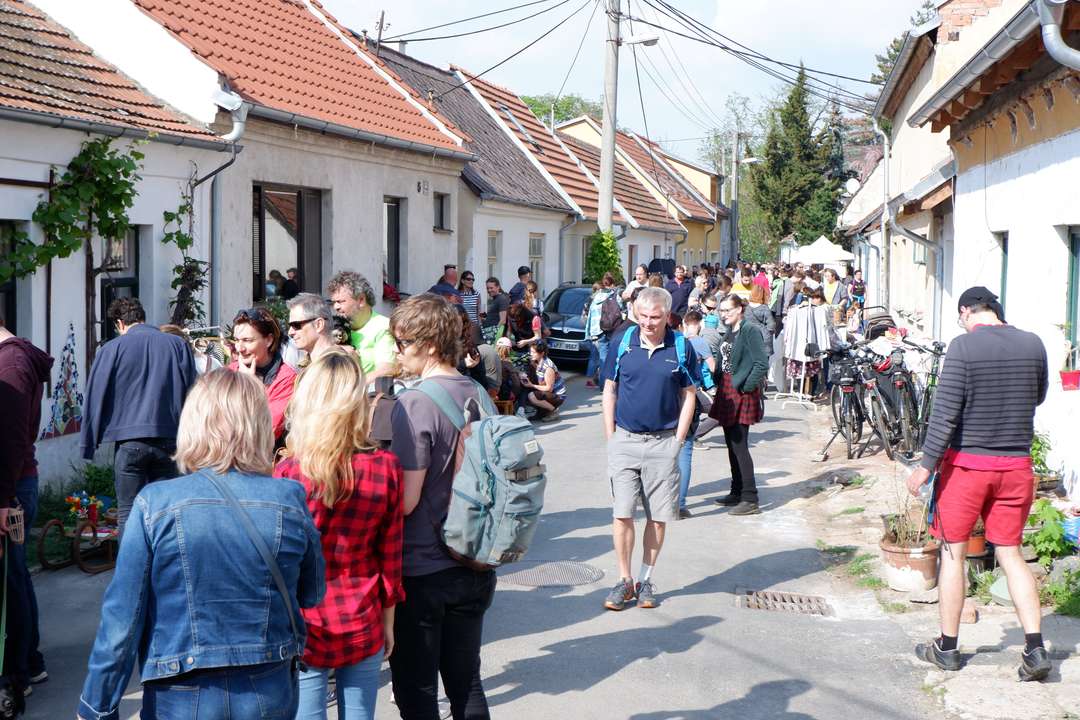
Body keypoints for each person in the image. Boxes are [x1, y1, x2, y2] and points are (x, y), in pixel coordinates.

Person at [76, 369, 325, 720]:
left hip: (180, 688)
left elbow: (122, 621)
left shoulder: (154, 504)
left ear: (193, 423)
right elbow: (311, 593)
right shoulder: (288, 498)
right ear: (258, 427)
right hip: (267, 684)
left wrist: (97, 705)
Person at [907, 287, 1051, 682]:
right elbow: (1037, 396)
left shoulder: (964, 347)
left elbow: (945, 414)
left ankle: (947, 648)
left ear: (965, 311)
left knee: (953, 554)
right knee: (1011, 554)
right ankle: (1035, 647)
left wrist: (925, 467)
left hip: (967, 468)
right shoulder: (1033, 343)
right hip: (1016, 466)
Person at [274, 350, 404, 720]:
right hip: (362, 612)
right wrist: (388, 623)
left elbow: (279, 560)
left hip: (305, 621)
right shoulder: (385, 468)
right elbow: (390, 559)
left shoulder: (288, 474)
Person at [388, 294, 497, 718]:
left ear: (430, 345)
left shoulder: (414, 402)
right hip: (475, 559)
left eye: (403, 342)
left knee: (416, 692)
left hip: (424, 567)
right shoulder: (478, 393)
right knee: (466, 683)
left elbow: (407, 500)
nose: (398, 352)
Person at [601, 287, 698, 611]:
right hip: (625, 441)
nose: (647, 323)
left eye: (655, 317)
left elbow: (689, 395)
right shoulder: (623, 342)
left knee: (658, 518)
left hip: (663, 443)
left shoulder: (681, 346)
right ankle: (624, 580)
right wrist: (611, 436)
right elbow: (610, 389)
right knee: (622, 513)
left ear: (667, 316)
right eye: (642, 316)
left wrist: (678, 441)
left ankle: (645, 580)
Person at [82, 297, 196, 533]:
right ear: (142, 317)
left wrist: (89, 445)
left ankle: (130, 558)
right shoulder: (177, 345)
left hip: (129, 443)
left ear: (120, 323)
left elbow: (95, 395)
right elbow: (193, 393)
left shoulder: (111, 350)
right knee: (166, 513)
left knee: (128, 513)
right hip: (169, 440)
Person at [0, 313, 53, 701]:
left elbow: (11, 440)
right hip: (15, 485)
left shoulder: (11, 363)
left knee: (11, 581)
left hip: (13, 487)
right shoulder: (13, 359)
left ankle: (18, 673)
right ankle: (30, 662)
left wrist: (3, 500)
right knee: (16, 576)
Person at [711, 295, 768, 516]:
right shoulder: (730, 331)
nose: (724, 314)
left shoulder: (750, 330)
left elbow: (761, 363)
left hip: (740, 390)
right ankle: (736, 491)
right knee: (731, 443)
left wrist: (746, 386)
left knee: (739, 444)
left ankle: (750, 498)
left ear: (739, 309)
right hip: (726, 388)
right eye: (721, 310)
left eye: (728, 310)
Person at [229, 307, 297, 443]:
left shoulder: (286, 378)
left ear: (269, 340)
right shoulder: (230, 371)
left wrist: (248, 387)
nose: (240, 348)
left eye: (247, 340)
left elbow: (267, 432)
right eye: (236, 340)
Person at [327, 271, 398, 382]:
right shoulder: (334, 326)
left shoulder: (382, 327)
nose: (336, 307)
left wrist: (351, 384)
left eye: (340, 301)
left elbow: (385, 371)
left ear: (361, 300)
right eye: (334, 302)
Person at [677, 311, 713, 518]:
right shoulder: (690, 345)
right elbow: (699, 377)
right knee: (684, 452)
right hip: (689, 401)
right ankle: (679, 505)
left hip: (662, 407)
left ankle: (653, 498)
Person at [584, 273, 619, 389]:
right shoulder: (613, 296)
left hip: (595, 331)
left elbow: (589, 315)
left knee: (594, 357)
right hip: (608, 330)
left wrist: (588, 333)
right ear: (612, 284)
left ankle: (591, 380)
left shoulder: (595, 298)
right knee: (605, 359)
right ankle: (603, 385)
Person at [521, 341, 566, 422]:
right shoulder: (535, 361)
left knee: (532, 396)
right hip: (545, 390)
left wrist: (532, 385)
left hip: (557, 395)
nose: (531, 354)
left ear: (542, 353)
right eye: (531, 352)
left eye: (534, 352)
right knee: (524, 389)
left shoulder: (548, 367)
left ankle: (553, 411)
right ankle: (541, 413)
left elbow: (549, 388)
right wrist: (523, 375)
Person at [287, 293, 337, 363]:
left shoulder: (337, 365)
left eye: (296, 325)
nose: (290, 332)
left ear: (319, 325)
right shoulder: (313, 363)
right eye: (290, 326)